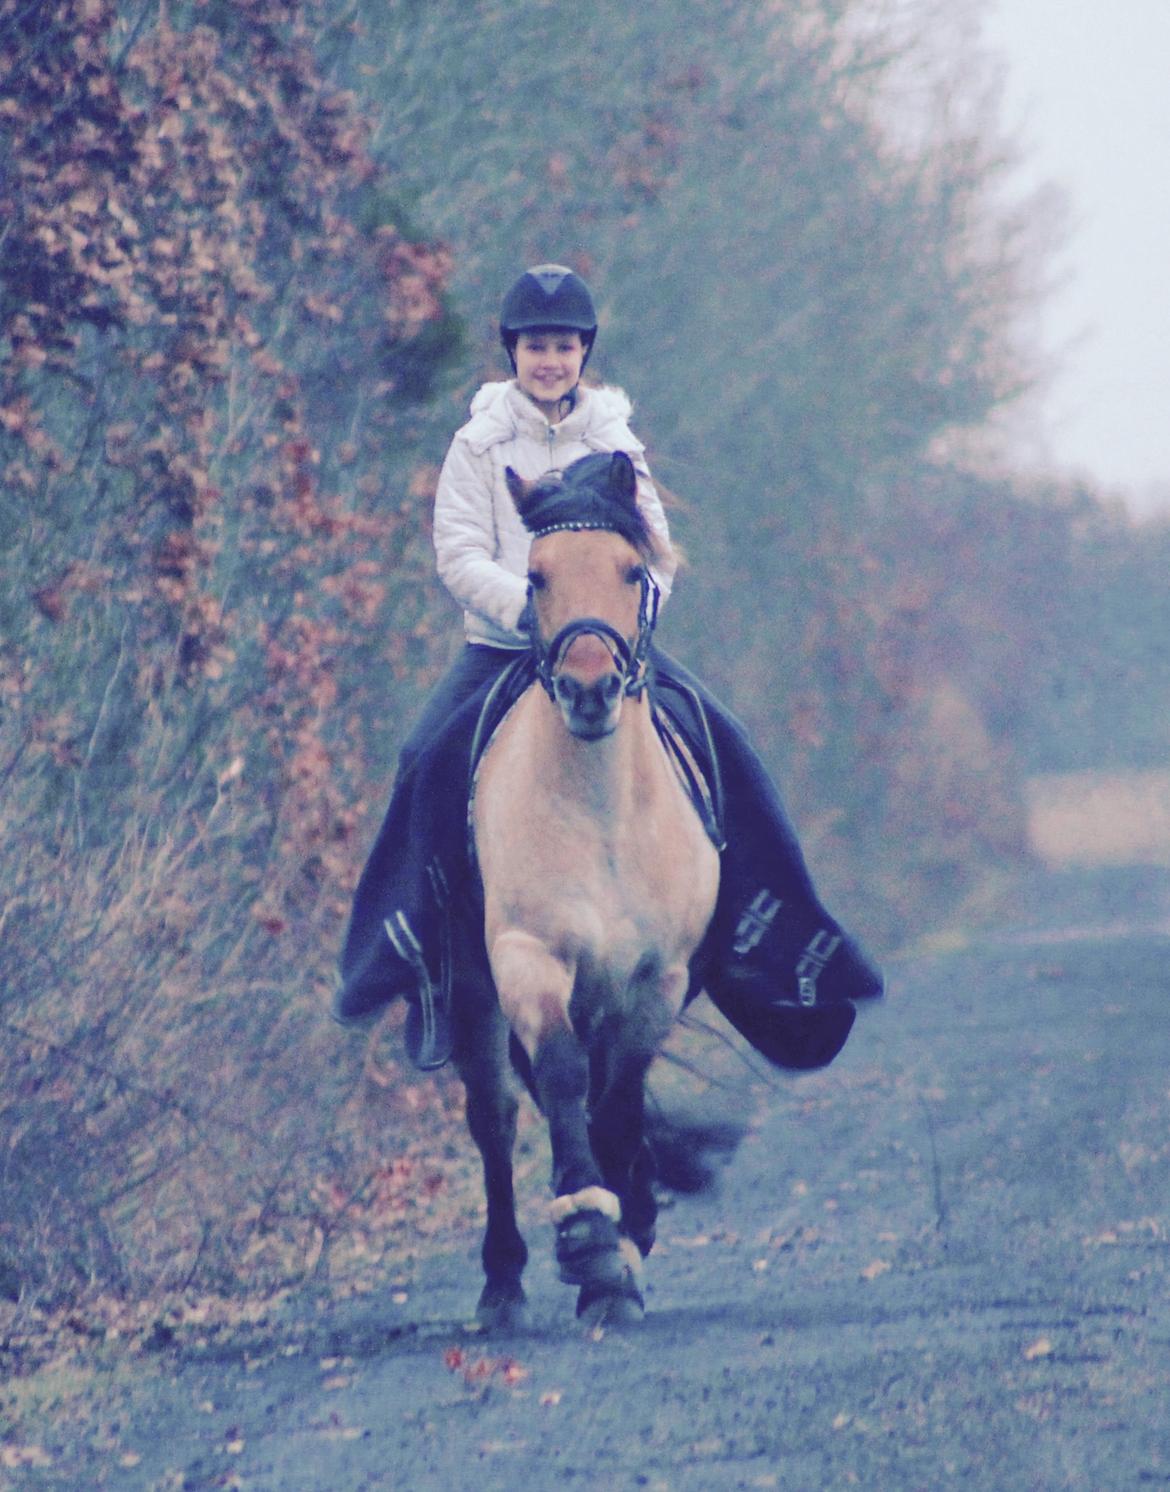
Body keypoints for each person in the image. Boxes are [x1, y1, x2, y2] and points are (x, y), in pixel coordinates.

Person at [335, 264, 883, 1069]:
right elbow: (458, 553)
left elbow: (656, 556)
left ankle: (764, 949)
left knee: (728, 749)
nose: (550, 361)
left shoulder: (617, 442)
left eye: (563, 347)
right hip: (505, 648)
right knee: (423, 757)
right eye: (535, 347)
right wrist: (535, 615)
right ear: (513, 353)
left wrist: (623, 626)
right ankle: (421, 965)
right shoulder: (476, 445)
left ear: (583, 353)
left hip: (613, 652)